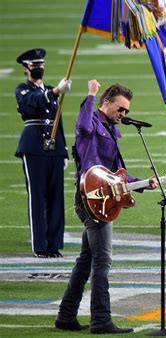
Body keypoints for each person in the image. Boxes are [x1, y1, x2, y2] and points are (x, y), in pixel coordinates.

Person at [55, 80, 159, 334]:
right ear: (106, 103)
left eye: (126, 112)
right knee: (103, 261)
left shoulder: (112, 131)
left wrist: (144, 183)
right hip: (92, 199)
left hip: (100, 198)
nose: (123, 115)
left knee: (86, 260)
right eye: (120, 109)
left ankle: (66, 316)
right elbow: (80, 125)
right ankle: (101, 320)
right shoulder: (90, 121)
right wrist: (90, 94)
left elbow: (116, 174)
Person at [15, 48, 72, 258]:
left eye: (41, 65)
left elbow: (58, 122)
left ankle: (54, 244)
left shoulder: (50, 90)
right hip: (33, 148)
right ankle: (40, 246)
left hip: (54, 149)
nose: (38, 68)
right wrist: (55, 91)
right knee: (37, 198)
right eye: (34, 65)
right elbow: (32, 103)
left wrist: (64, 151)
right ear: (26, 69)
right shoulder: (23, 90)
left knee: (56, 198)